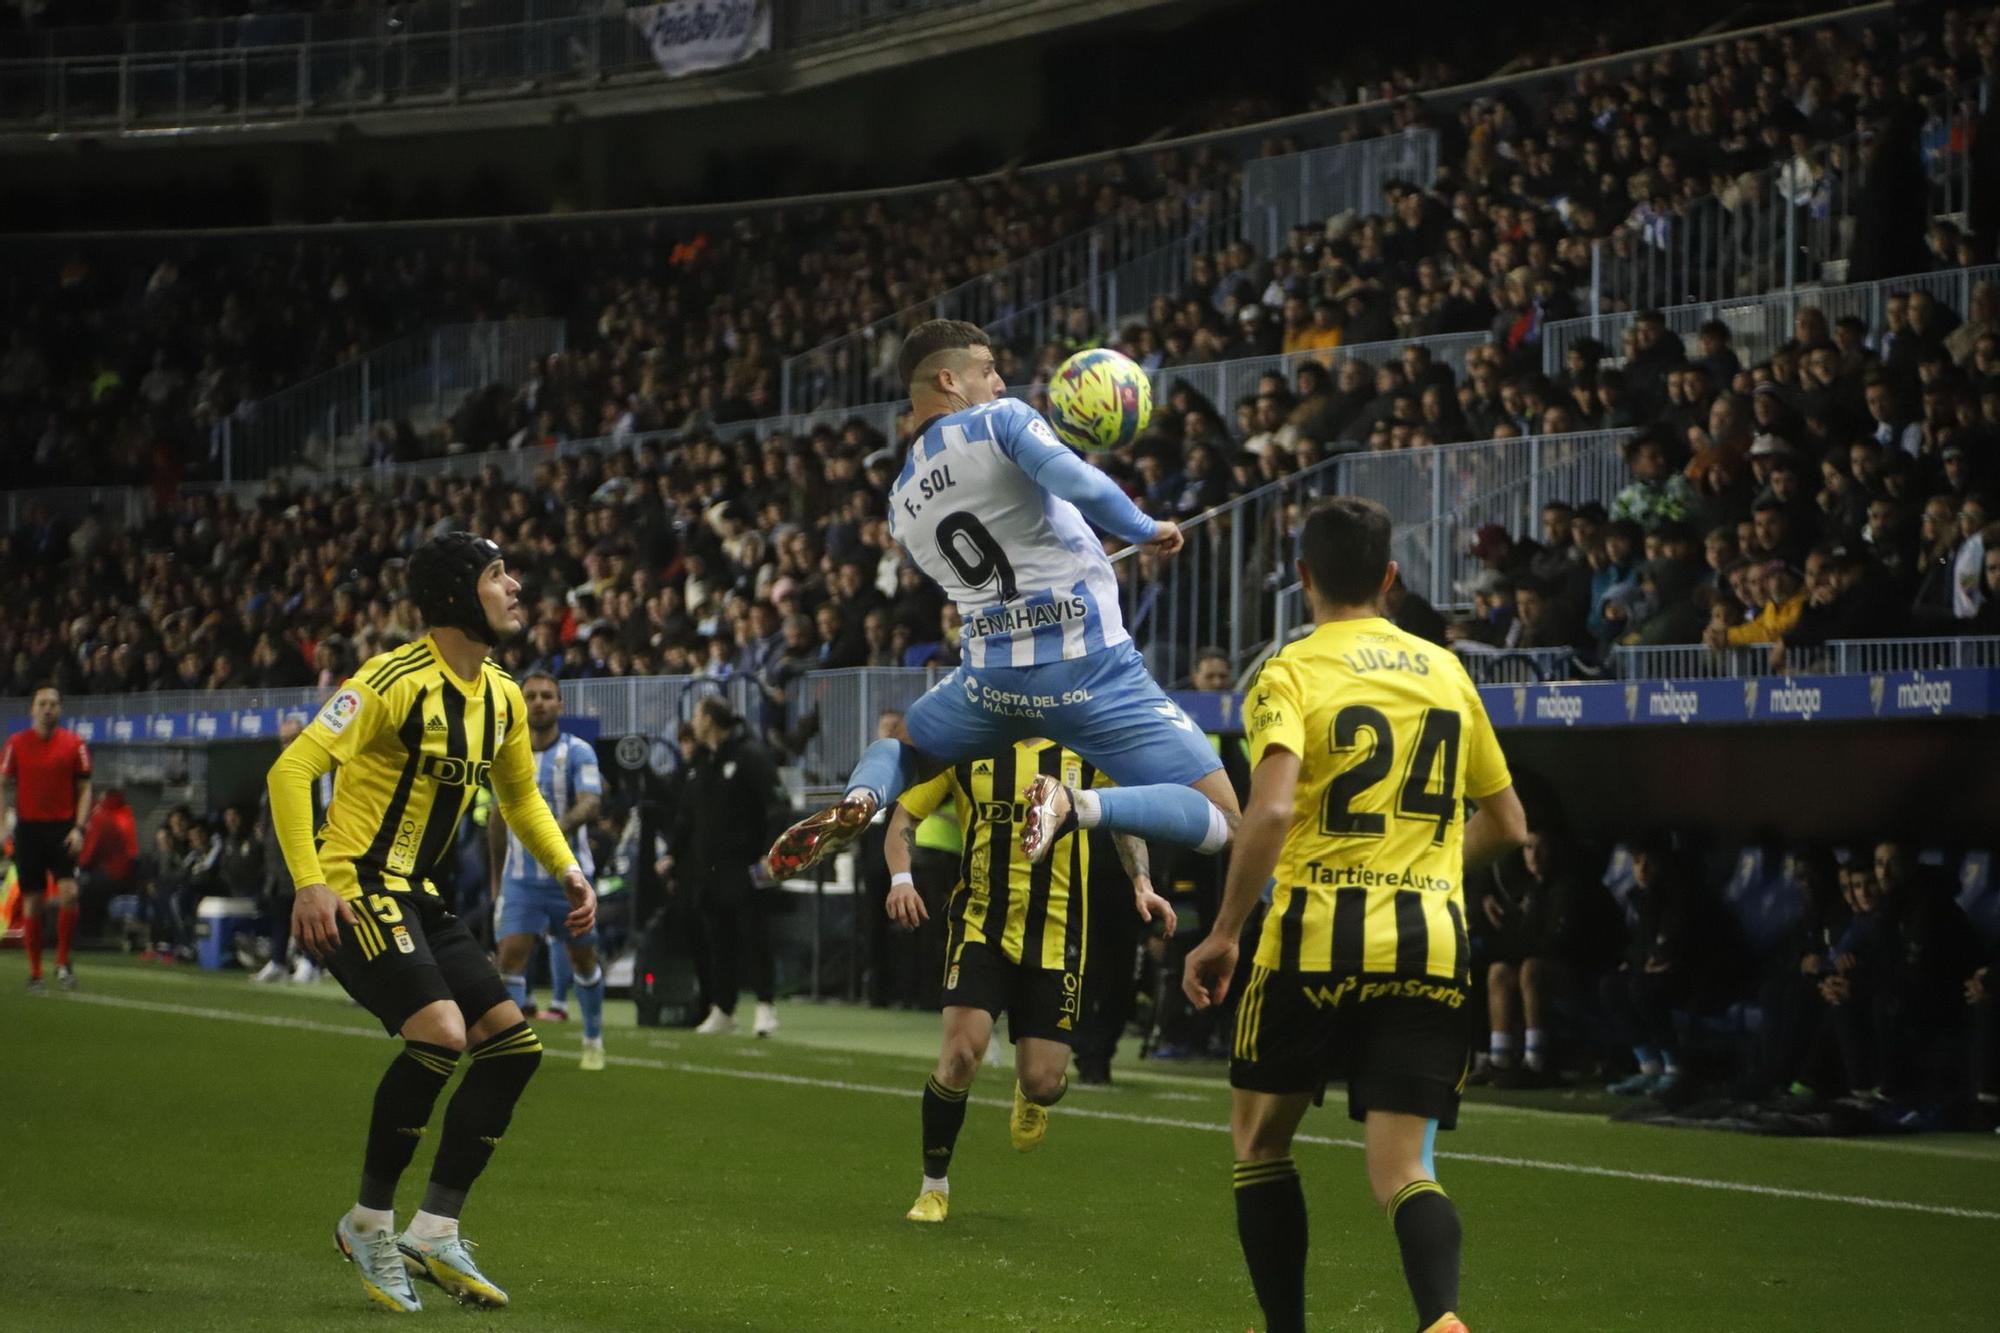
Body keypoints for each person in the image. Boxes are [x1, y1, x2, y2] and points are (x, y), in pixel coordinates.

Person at [1181, 497, 1527, 1333]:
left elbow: (1266, 814)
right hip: (1432, 942)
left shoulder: (1290, 670)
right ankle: (1442, 1317)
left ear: (1302, 577)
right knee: (1404, 1168)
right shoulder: (1446, 669)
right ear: (1391, 578)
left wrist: (1225, 930)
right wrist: (1429, 867)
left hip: (1313, 937)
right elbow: (1510, 824)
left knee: (1261, 1144)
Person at [767, 321, 1240, 883]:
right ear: (949, 379)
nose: (999, 382)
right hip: (1091, 668)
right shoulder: (1003, 420)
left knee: (908, 749)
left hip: (991, 683)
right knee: (1229, 819)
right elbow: (1083, 486)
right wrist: (1145, 527)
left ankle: (863, 798)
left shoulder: (899, 503)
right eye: (988, 369)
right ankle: (1077, 804)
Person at [267, 532, 596, 1314]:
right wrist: (309, 882)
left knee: (513, 1046)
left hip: (418, 892)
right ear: (455, 595)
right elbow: (292, 769)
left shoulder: (505, 694)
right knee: (442, 1033)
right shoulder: (391, 679)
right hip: (355, 884)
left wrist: (568, 867)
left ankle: (434, 1228)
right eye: (497, 574)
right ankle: (368, 1221)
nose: (516, 586)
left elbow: (519, 798)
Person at [883, 739, 1171, 1223]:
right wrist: (901, 880)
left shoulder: (1081, 747)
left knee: (1043, 1080)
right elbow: (903, 820)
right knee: (959, 1055)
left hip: (1057, 932)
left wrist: (1141, 881)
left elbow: (1122, 816)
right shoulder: (968, 744)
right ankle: (934, 1186)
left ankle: (1030, 1095)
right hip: (980, 926)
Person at [487, 669, 608, 1071]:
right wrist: (495, 876)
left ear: (560, 704)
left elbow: (591, 802)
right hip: (520, 880)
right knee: (510, 957)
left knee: (583, 959)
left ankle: (593, 1037)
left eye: (546, 696)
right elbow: (497, 819)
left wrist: (550, 834)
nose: (539, 702)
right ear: (520, 704)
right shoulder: (505, 752)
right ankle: (513, 1046)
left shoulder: (578, 752)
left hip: (568, 878)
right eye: (532, 696)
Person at [672, 695, 784, 1038]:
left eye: (697, 713)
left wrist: (770, 853)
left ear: (710, 718)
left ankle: (766, 1007)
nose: (693, 719)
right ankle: (723, 1008)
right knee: (717, 940)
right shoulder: (701, 761)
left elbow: (775, 805)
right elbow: (689, 815)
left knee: (754, 935)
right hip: (709, 869)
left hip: (748, 864)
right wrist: (673, 855)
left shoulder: (749, 754)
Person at [1, 684, 94, 993]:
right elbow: (2, 784)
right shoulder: (17, 743)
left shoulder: (74, 744)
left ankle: (63, 962)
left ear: (61, 709)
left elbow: (85, 789)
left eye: (53, 703)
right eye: (42, 703)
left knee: (69, 893)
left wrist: (79, 828)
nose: (48, 708)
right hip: (29, 830)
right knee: (34, 901)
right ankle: (36, 972)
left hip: (62, 828)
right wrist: (2, 825)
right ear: (32, 709)